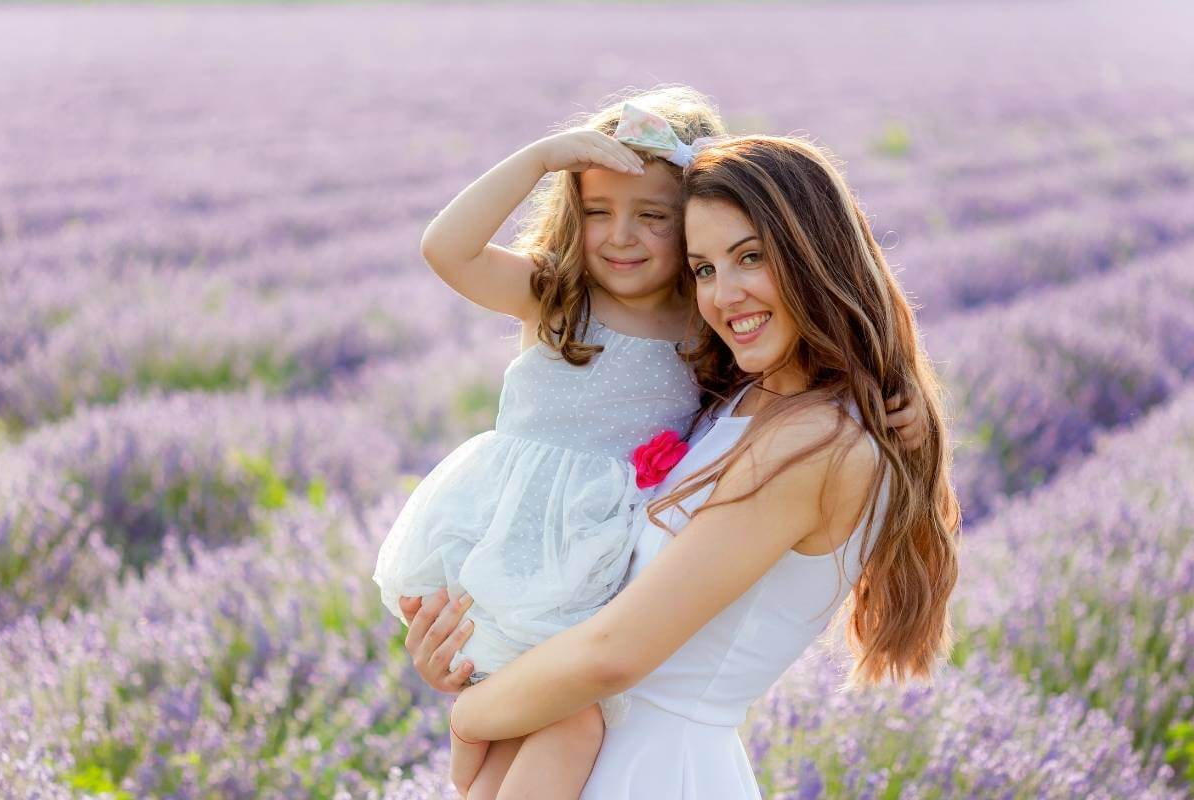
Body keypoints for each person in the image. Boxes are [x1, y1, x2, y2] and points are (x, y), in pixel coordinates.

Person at [401, 132, 959, 799]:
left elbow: (614, 654)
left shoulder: (814, 445)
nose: (725, 295)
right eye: (703, 269)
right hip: (579, 750)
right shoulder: (742, 399)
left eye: (750, 257)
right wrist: (478, 657)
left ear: (817, 254)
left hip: (651, 770)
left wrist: (472, 716)